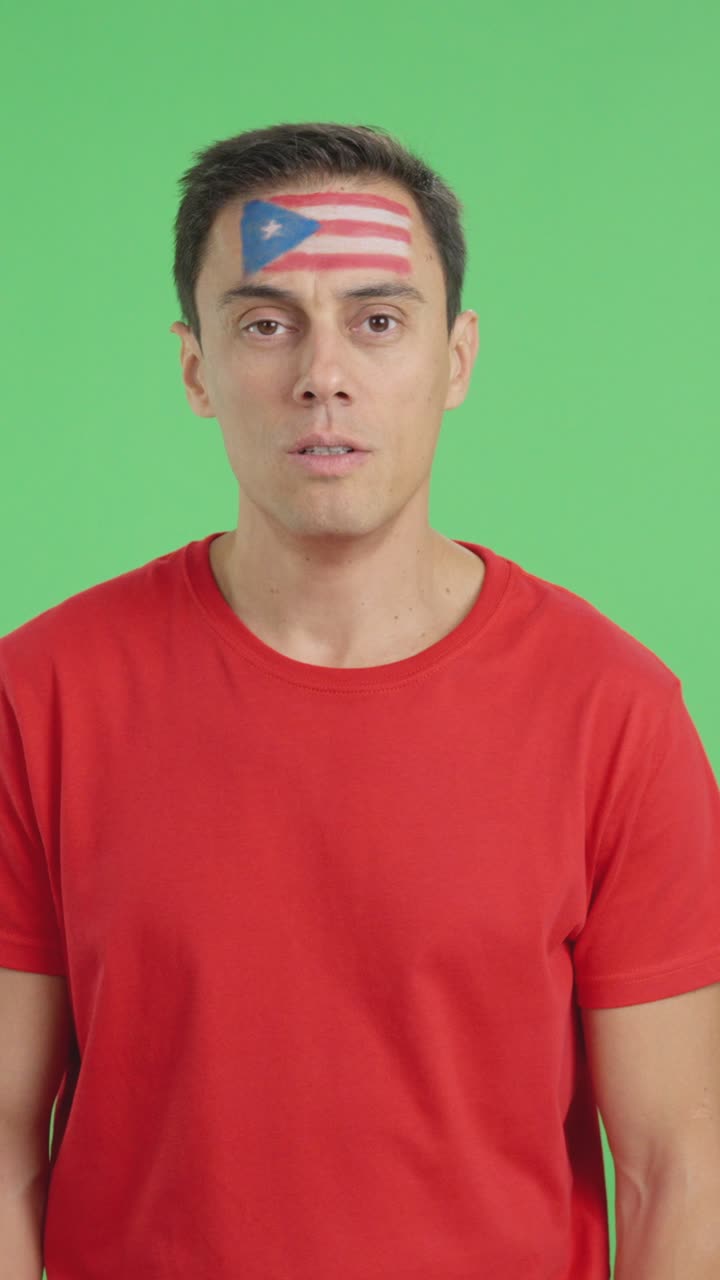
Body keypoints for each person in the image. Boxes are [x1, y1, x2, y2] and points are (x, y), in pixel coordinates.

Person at [1, 121, 719, 1280]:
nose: (321, 373)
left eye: (378, 320)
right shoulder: (40, 697)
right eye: (266, 322)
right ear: (196, 367)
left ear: (456, 358)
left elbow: (676, 1166)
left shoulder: (616, 714)